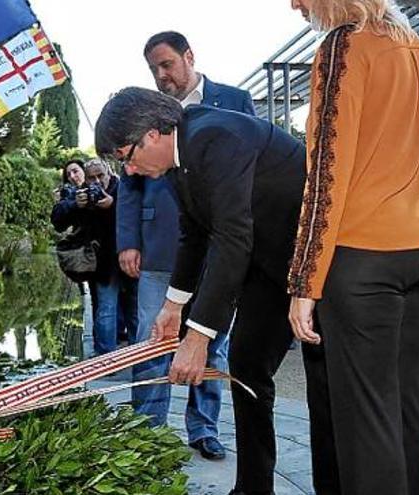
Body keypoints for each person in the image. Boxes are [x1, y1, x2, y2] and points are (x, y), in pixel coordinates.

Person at [96, 87, 335, 495]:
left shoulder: (216, 136)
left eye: (126, 157)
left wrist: (197, 337)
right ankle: (253, 487)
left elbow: (231, 239)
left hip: (317, 270)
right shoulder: (178, 158)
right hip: (268, 268)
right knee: (246, 368)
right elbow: (194, 236)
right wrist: (174, 306)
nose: (130, 172)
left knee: (326, 382)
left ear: (153, 134)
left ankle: (334, 486)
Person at [287, 1, 419, 494]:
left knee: (367, 420)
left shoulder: (344, 45)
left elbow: (324, 173)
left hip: (367, 254)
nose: (294, 3)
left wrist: (304, 281)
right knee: (408, 406)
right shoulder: (414, 46)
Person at [117, 31, 255, 460]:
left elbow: (251, 174)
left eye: (167, 65)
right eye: (154, 69)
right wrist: (128, 241)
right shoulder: (142, 113)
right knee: (152, 338)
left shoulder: (234, 100)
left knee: (212, 339)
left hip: (218, 247)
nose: (161, 76)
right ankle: (146, 429)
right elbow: (128, 183)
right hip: (159, 247)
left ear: (188, 57)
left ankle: (204, 429)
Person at [52, 158, 130, 356]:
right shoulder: (80, 195)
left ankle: (136, 356)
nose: (96, 182)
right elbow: (58, 220)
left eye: (100, 176)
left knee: (135, 309)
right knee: (105, 307)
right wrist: (74, 205)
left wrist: (113, 204)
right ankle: (105, 359)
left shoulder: (123, 188)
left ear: (109, 172)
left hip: (131, 257)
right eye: (91, 178)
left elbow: (137, 214)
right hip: (102, 262)